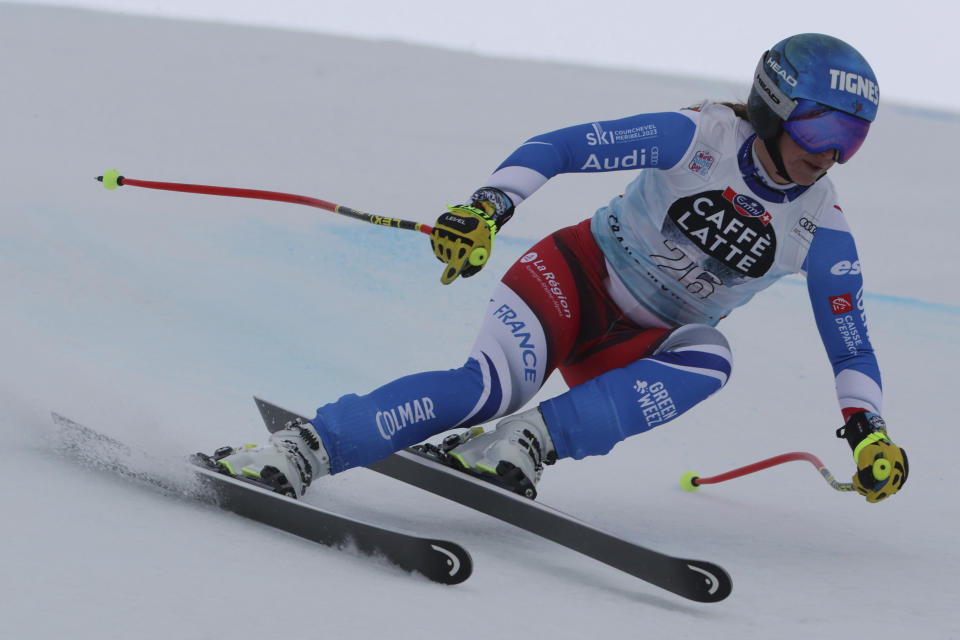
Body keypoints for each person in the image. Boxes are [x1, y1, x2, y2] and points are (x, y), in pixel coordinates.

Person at [212, 33, 907, 504]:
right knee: (483, 389)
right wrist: (487, 208)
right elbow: (564, 147)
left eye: (853, 138)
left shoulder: (823, 227)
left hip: (644, 343)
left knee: (712, 358)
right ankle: (304, 449)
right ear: (773, 109)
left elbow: (850, 340)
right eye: (823, 131)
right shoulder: (701, 137)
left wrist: (868, 430)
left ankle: (528, 442)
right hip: (572, 281)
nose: (831, 155)